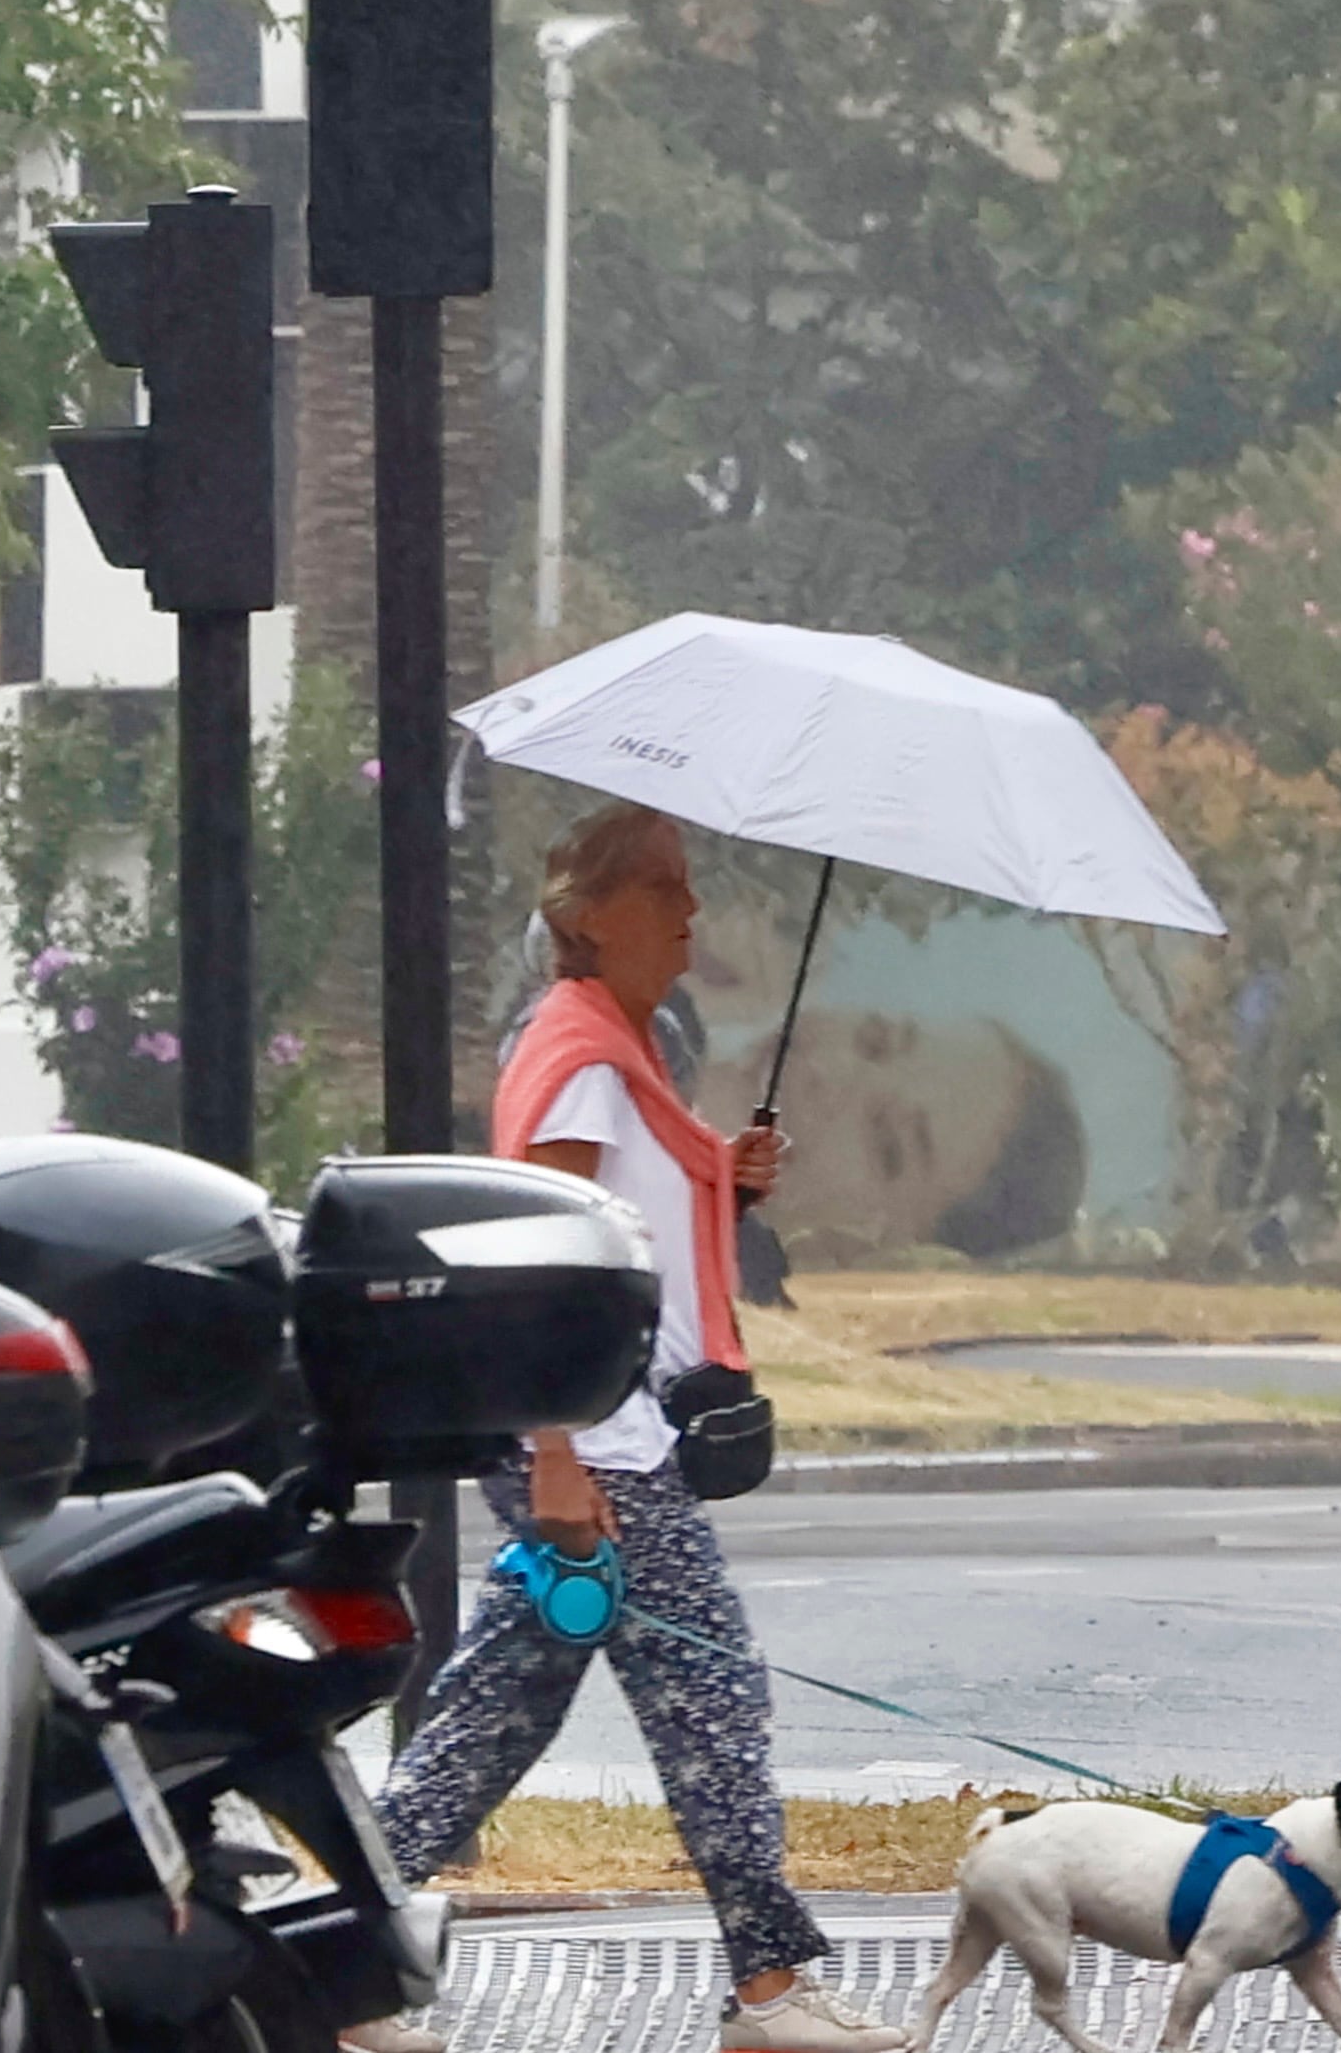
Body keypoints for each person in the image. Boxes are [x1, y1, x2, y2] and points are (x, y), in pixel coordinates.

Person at [351, 805, 905, 2053]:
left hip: (601, 1436)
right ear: (590, 916)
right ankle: (770, 1990)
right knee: (711, 1694)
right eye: (665, 887)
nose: (691, 911)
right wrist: (553, 1452)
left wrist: (723, 1174)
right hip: (590, 1442)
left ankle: (338, 1966)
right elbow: (534, 1256)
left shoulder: (624, 1048)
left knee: (498, 1713)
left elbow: (628, 1218)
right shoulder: (585, 1055)